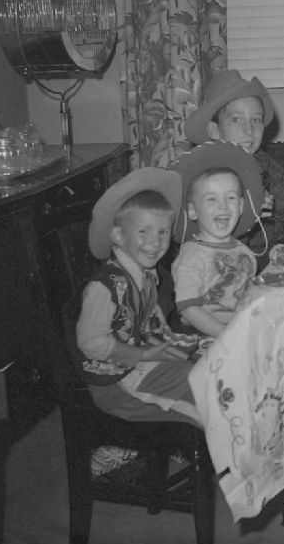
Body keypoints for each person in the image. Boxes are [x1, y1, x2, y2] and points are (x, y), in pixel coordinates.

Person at [75, 168, 198, 422]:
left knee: (210, 367)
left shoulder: (146, 274)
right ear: (119, 236)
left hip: (142, 362)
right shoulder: (105, 287)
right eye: (143, 232)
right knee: (205, 394)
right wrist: (142, 355)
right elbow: (91, 342)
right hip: (116, 383)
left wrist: (165, 342)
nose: (155, 242)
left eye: (163, 232)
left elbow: (147, 316)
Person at [184, 69, 284, 270]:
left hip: (271, 257)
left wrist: (273, 200)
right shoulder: (205, 174)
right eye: (236, 119)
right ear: (214, 130)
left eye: (256, 120)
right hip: (223, 266)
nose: (249, 130)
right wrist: (246, 212)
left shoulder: (263, 162)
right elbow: (194, 234)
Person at [168, 141, 265, 354]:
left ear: (241, 206)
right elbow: (189, 309)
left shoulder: (243, 251)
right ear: (192, 211)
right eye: (211, 199)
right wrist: (229, 335)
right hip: (201, 336)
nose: (223, 206)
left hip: (237, 328)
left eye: (230, 197)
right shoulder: (192, 255)